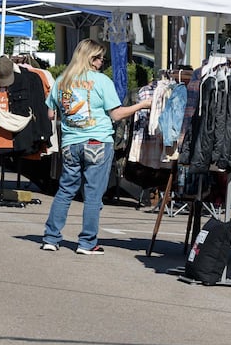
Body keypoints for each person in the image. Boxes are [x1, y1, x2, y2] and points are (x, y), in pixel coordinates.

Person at [40, 40, 150, 254]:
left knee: (65, 190)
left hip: (71, 143)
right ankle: (87, 242)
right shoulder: (101, 81)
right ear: (91, 59)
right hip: (97, 141)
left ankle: (51, 238)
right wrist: (142, 105)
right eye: (100, 58)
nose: (102, 62)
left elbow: (51, 113)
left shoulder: (63, 80)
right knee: (93, 195)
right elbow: (116, 114)